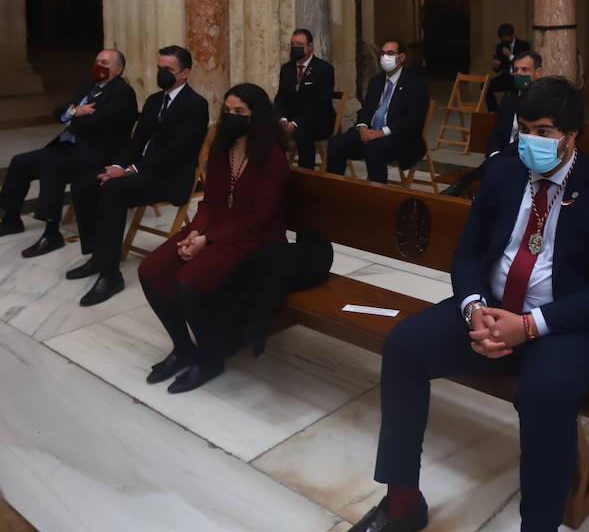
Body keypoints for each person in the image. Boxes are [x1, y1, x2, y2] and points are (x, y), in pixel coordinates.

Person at [336, 77, 589, 532]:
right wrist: (476, 309)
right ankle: (402, 500)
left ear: (573, 136)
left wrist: (527, 326)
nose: (532, 142)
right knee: (404, 346)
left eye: (546, 134)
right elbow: (469, 253)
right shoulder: (502, 172)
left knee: (545, 397)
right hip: (490, 309)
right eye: (525, 130)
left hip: (562, 326)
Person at [137, 83, 290, 394]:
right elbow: (210, 202)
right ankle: (183, 347)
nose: (231, 117)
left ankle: (211, 357)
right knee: (151, 270)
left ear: (256, 116)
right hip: (216, 230)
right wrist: (195, 231)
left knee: (189, 281)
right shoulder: (222, 148)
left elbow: (261, 218)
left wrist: (208, 239)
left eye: (239, 113)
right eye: (227, 111)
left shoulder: (272, 157)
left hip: (257, 239)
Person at [65, 45, 209, 306]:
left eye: (168, 70)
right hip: (142, 170)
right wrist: (119, 166)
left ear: (185, 73)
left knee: (113, 190)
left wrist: (132, 170)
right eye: (159, 68)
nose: (161, 74)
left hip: (170, 177)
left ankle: (111, 276)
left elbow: (177, 150)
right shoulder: (154, 101)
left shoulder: (195, 105)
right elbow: (137, 140)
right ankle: (98, 255)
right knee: (85, 181)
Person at [0, 51, 137, 258]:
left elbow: (96, 123)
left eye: (105, 62)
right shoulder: (88, 85)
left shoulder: (122, 93)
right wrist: (74, 112)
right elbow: (57, 112)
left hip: (97, 153)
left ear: (119, 69)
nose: (99, 65)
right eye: (97, 61)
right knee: (20, 161)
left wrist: (73, 114)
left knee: (51, 164)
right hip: (71, 147)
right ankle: (11, 220)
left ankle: (52, 233)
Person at [325, 40, 428, 185]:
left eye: (390, 53)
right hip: (370, 132)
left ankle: (377, 196)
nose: (385, 57)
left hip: (399, 137)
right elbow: (366, 110)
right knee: (336, 143)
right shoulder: (376, 81)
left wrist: (381, 133)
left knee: (374, 148)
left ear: (402, 57)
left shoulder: (414, 83)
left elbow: (413, 120)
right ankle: (333, 190)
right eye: (383, 53)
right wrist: (362, 127)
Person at [442, 51, 544, 197]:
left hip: (528, 162)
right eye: (516, 70)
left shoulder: (547, 104)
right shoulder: (509, 102)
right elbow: (496, 135)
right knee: (496, 167)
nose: (519, 74)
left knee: (497, 172)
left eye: (524, 70)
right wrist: (495, 153)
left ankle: (466, 186)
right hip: (501, 160)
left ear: (538, 72)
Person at [274, 27, 336, 169]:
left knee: (303, 132)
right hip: (290, 118)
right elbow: (280, 98)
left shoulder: (324, 69)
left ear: (309, 46)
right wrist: (283, 119)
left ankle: (306, 176)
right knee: (268, 127)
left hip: (317, 120)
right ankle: (277, 171)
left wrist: (296, 123)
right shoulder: (287, 69)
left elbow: (321, 102)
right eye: (293, 45)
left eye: (299, 45)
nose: (295, 48)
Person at [486, 24, 531, 113]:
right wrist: (496, 65)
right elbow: (497, 69)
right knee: (485, 86)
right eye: (503, 38)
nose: (505, 40)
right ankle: (494, 111)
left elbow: (524, 64)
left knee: (516, 91)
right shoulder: (500, 46)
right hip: (506, 77)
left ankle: (516, 113)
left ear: (512, 35)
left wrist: (510, 56)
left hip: (519, 77)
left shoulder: (524, 46)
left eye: (506, 37)